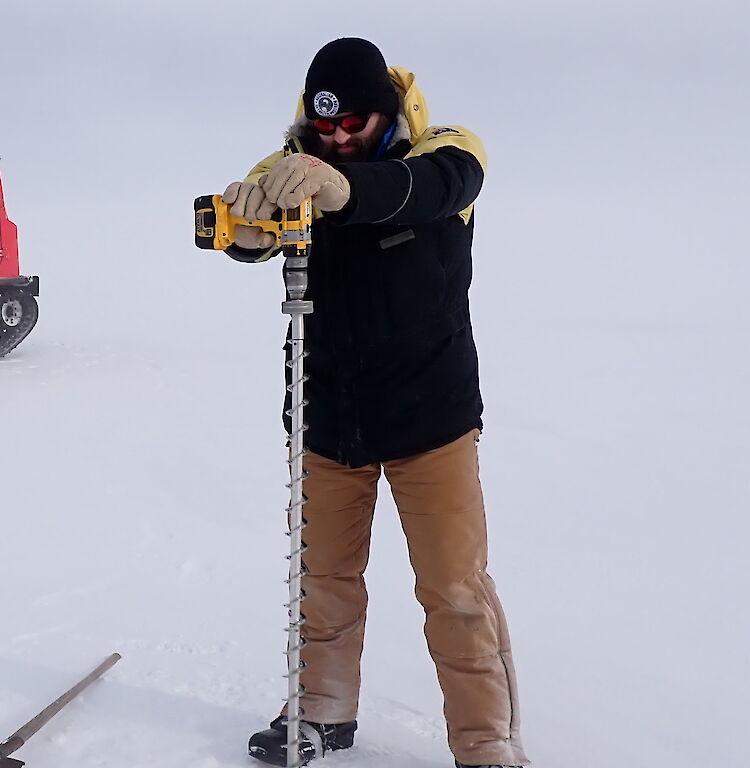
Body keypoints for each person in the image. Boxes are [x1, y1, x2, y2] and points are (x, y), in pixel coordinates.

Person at [225, 38, 529, 768]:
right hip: (328, 417)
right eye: (324, 127)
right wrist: (243, 217)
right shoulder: (293, 164)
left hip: (432, 421)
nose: (336, 140)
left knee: (454, 593)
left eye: (354, 125)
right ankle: (321, 713)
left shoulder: (448, 151)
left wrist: (344, 190)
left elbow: (432, 189)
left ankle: (488, 744)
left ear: (386, 112)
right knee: (322, 581)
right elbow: (244, 237)